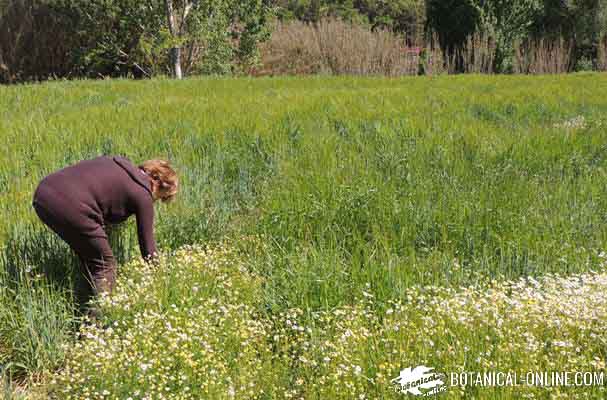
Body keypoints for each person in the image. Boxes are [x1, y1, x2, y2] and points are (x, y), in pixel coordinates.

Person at [32, 156, 178, 316]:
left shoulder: (118, 163)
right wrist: (163, 282)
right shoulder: (143, 194)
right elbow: (148, 250)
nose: (158, 201)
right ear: (159, 183)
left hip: (44, 194)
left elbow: (101, 197)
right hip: (71, 205)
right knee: (105, 265)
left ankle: (83, 299)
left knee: (91, 257)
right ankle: (95, 329)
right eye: (163, 197)